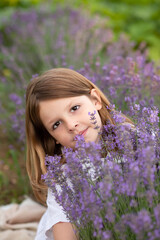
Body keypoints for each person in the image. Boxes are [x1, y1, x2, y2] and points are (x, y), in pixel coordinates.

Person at [25, 68, 134, 240]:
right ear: (53, 138)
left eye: (74, 108)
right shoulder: (64, 180)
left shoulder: (134, 142)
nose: (71, 124)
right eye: (56, 124)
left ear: (95, 100)